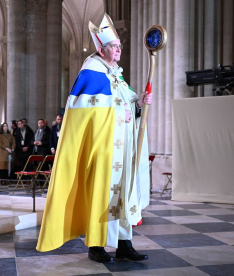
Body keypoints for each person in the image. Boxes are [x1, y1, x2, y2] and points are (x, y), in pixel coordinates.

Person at [36, 13, 151, 263]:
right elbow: (88, 115)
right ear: (101, 48)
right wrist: (123, 112)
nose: (119, 50)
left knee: (123, 193)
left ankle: (124, 243)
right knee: (101, 192)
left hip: (122, 147)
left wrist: (139, 102)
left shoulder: (116, 74)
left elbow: (126, 103)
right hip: (103, 147)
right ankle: (96, 246)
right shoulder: (92, 71)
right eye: (114, 46)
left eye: (120, 46)